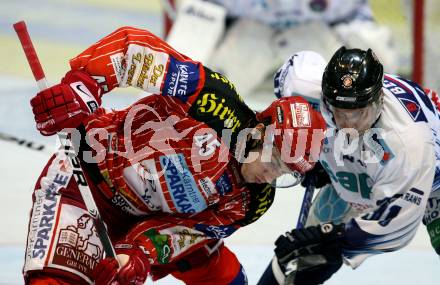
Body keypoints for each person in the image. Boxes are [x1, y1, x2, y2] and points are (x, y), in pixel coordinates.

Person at [22, 26, 327, 285]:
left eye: (284, 173)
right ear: (261, 132)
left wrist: (140, 253)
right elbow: (135, 51)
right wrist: (82, 88)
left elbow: (186, 232)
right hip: (84, 181)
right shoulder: (214, 101)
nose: (272, 176)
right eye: (275, 161)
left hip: (150, 218)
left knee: (227, 278)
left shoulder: (254, 201)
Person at [257, 48, 440, 285]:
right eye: (340, 113)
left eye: (359, 114)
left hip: (431, 176)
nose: (349, 124)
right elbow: (295, 68)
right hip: (361, 170)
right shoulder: (303, 86)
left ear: (378, 101)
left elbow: (396, 228)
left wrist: (331, 239)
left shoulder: (407, 143)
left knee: (321, 243)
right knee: (300, 253)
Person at [198, 0, 399, 97]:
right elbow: (200, 15)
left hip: (317, 35)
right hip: (247, 33)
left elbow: (356, 19)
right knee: (191, 62)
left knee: (379, 70)